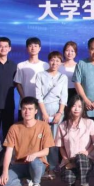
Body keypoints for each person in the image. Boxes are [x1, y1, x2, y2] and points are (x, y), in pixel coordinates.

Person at [0, 97, 54, 186]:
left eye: (30, 109)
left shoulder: (44, 126)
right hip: (19, 164)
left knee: (35, 162)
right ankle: (26, 182)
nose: (27, 112)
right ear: (21, 110)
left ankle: (36, 185)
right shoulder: (14, 128)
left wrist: (34, 155)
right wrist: (5, 172)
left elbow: (46, 151)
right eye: (24, 109)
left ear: (36, 111)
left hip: (38, 164)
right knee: (3, 184)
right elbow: (8, 151)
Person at [55, 95, 94, 186]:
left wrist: (87, 152)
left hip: (86, 159)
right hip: (70, 160)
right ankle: (71, 184)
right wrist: (66, 160)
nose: (76, 109)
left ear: (83, 108)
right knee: (68, 177)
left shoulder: (89, 123)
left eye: (79, 106)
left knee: (81, 158)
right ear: (69, 107)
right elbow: (61, 147)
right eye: (74, 106)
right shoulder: (62, 125)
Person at [35, 51, 68, 179]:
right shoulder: (40, 75)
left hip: (57, 110)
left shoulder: (63, 77)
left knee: (54, 140)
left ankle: (53, 167)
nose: (55, 63)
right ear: (48, 61)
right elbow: (38, 95)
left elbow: (64, 97)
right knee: (41, 139)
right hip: (42, 109)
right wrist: (43, 113)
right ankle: (42, 166)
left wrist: (59, 113)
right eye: (52, 60)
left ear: (61, 63)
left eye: (57, 60)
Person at [14, 37, 49, 103]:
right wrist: (24, 98)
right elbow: (18, 83)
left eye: (35, 46)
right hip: (25, 102)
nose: (33, 48)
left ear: (39, 48)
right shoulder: (21, 65)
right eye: (30, 46)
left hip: (41, 102)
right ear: (27, 48)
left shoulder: (45, 65)